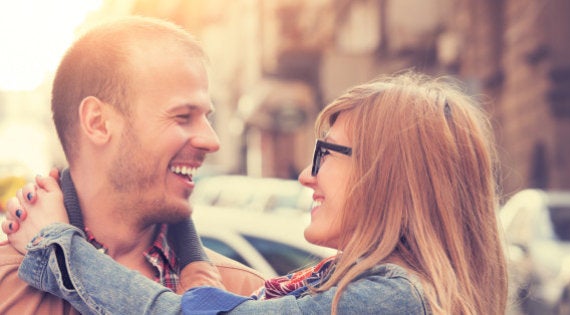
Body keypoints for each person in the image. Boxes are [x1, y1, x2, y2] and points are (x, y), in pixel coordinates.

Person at [3, 72, 508, 314]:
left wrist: (54, 242)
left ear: (388, 173)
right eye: (182, 116)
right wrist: (175, 211)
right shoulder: (366, 284)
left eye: (325, 155)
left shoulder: (391, 299)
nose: (306, 178)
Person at [0, 16, 264, 314]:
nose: (211, 140)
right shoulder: (6, 287)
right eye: (182, 116)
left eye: (207, 117)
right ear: (98, 123)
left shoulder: (246, 293)